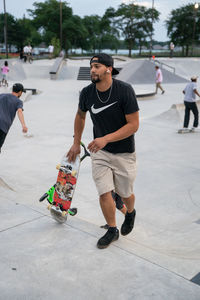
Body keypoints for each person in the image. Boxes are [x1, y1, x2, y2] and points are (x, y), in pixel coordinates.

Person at [67, 53, 139, 249]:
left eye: (97, 66)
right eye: (91, 66)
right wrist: (76, 142)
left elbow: (133, 125)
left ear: (108, 69)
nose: (92, 70)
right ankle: (112, 230)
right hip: (100, 153)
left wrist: (106, 138)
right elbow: (80, 116)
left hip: (124, 152)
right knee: (104, 192)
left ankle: (130, 213)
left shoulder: (124, 90)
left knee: (125, 194)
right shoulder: (87, 92)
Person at [0, 83, 28, 153]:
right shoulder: (19, 102)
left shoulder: (2, 95)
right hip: (3, 127)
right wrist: (24, 125)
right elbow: (19, 111)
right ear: (20, 92)